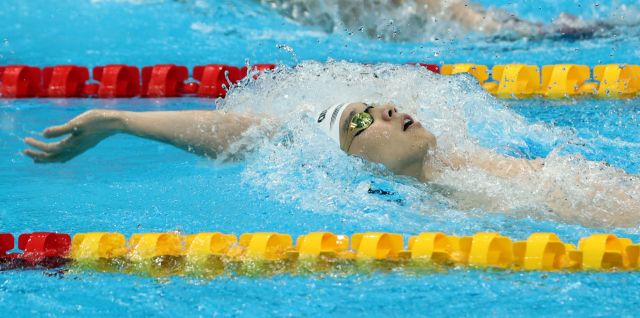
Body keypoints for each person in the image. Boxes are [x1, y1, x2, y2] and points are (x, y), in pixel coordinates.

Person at [22, 102, 640, 228]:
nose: (389, 111)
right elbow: (251, 134)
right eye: (360, 122)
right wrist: (121, 121)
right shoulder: (423, 208)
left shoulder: (471, 165)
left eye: (379, 105)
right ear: (351, 162)